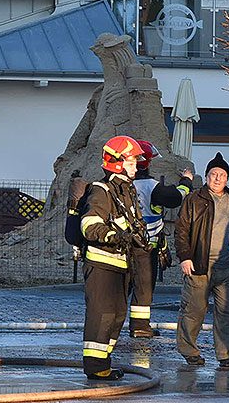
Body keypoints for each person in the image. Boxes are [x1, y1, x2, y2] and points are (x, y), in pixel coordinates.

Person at [80, 135, 148, 380]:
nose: (135, 167)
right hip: (102, 265)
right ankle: (95, 367)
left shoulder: (126, 190)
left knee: (117, 316)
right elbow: (89, 225)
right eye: (131, 162)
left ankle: (103, 363)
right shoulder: (101, 190)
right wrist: (114, 236)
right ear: (117, 163)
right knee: (102, 316)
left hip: (121, 265)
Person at [174, 153, 229, 369]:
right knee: (194, 310)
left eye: (222, 175)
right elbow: (181, 230)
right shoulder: (194, 199)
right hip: (198, 265)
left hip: (227, 266)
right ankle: (189, 351)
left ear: (227, 178)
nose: (218, 178)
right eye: (213, 174)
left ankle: (226, 355)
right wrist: (185, 257)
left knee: (227, 313)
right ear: (206, 176)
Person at [127, 140, 193, 338]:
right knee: (144, 286)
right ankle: (140, 326)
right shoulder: (152, 186)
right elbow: (176, 197)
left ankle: (113, 325)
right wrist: (186, 181)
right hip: (147, 246)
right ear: (147, 163)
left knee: (123, 286)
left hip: (123, 245)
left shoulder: (122, 185)